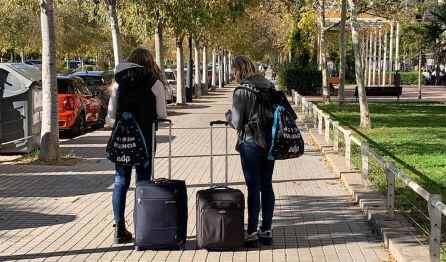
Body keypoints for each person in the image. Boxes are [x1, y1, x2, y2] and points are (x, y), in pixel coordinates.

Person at [106, 48, 167, 244]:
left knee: (120, 181)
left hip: (122, 139)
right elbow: (162, 115)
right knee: (142, 181)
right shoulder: (154, 83)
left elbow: (111, 116)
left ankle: (118, 228)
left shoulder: (118, 83)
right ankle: (141, 226)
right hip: (145, 137)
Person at [225, 55, 275, 247]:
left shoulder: (241, 91)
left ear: (239, 70)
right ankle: (267, 229)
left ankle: (252, 231)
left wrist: (229, 115)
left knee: (253, 187)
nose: (232, 73)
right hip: (270, 142)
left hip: (250, 142)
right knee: (267, 184)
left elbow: (237, 123)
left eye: (233, 70)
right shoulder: (269, 85)